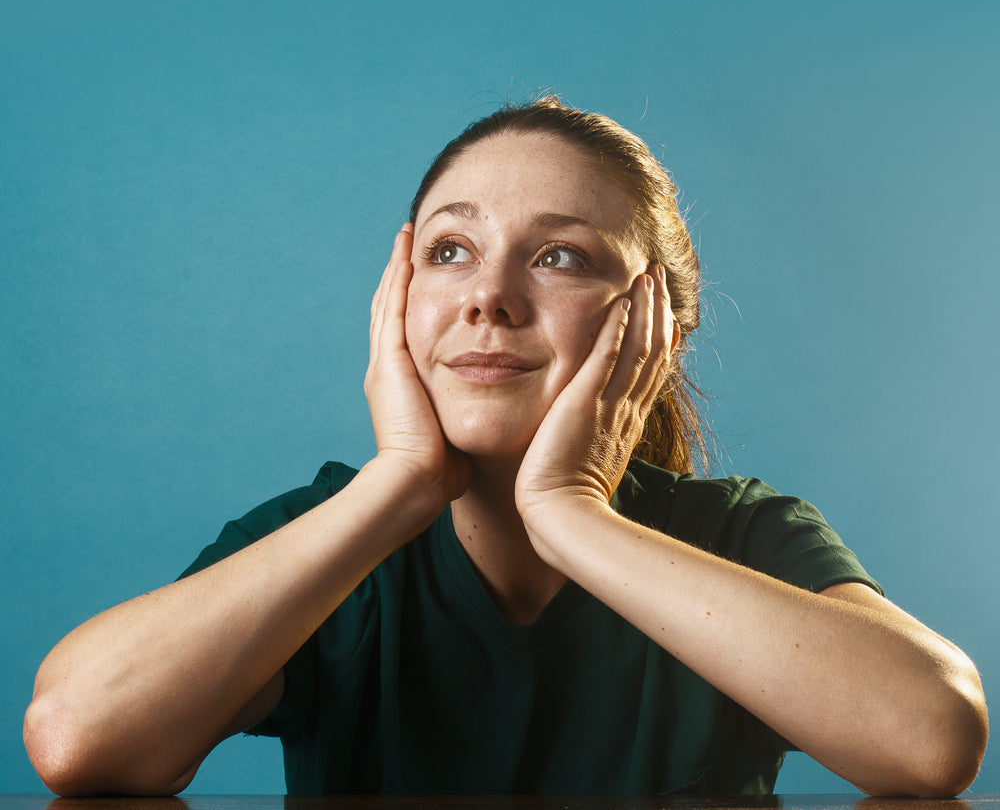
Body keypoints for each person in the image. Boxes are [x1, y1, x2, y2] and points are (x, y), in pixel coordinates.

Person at [24, 96, 988, 797]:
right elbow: (75, 739)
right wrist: (399, 483)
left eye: (558, 255)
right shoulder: (327, 539)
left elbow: (933, 737)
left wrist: (571, 513)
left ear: (654, 328)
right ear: (398, 301)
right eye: (449, 251)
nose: (489, 296)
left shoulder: (737, 534)